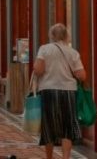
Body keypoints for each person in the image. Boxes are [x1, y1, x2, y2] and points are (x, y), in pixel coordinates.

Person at [33, 23, 86, 159]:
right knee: (67, 126)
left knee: (49, 125)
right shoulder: (72, 52)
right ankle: (65, 157)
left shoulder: (44, 49)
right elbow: (82, 75)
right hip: (68, 92)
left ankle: (49, 157)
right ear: (66, 36)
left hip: (48, 91)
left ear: (51, 35)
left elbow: (38, 70)